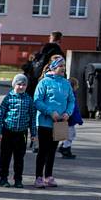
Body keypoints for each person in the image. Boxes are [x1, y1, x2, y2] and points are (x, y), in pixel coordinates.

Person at [33, 56, 74, 188]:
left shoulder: (66, 83)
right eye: (61, 65)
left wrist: (68, 113)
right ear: (53, 67)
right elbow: (37, 101)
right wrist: (50, 112)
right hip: (45, 122)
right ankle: (38, 177)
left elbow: (71, 101)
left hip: (61, 122)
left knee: (52, 150)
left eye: (64, 66)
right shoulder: (44, 82)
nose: (63, 68)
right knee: (43, 150)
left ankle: (48, 176)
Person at [0, 73, 36, 188]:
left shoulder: (28, 100)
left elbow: (32, 117)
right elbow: (0, 115)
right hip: (7, 131)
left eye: (24, 84)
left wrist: (33, 133)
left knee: (19, 158)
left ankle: (18, 179)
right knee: (5, 157)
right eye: (19, 84)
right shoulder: (8, 98)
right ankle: (3, 178)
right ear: (14, 85)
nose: (21, 87)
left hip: (21, 133)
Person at [26, 31, 63, 98]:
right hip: (50, 84)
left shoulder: (40, 52)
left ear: (50, 38)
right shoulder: (58, 53)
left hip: (34, 82)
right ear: (60, 40)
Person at [59, 76, 83, 159]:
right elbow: (74, 109)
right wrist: (78, 119)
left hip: (67, 119)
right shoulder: (71, 96)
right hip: (70, 119)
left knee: (68, 134)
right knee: (70, 135)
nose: (78, 87)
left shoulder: (65, 95)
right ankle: (65, 148)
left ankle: (64, 146)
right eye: (77, 85)